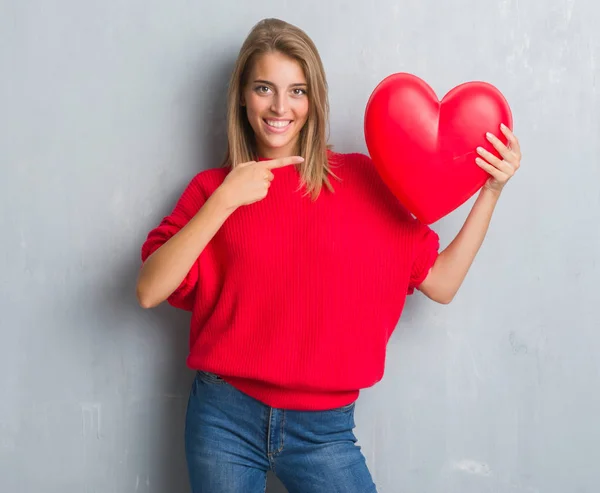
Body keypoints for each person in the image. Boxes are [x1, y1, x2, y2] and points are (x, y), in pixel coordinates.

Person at [136, 17, 521, 493]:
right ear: (241, 95)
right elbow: (150, 289)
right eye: (264, 88)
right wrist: (225, 200)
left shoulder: (364, 182)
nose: (280, 107)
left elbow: (442, 283)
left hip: (324, 433)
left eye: (297, 91)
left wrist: (492, 192)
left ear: (315, 99)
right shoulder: (213, 190)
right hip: (223, 419)